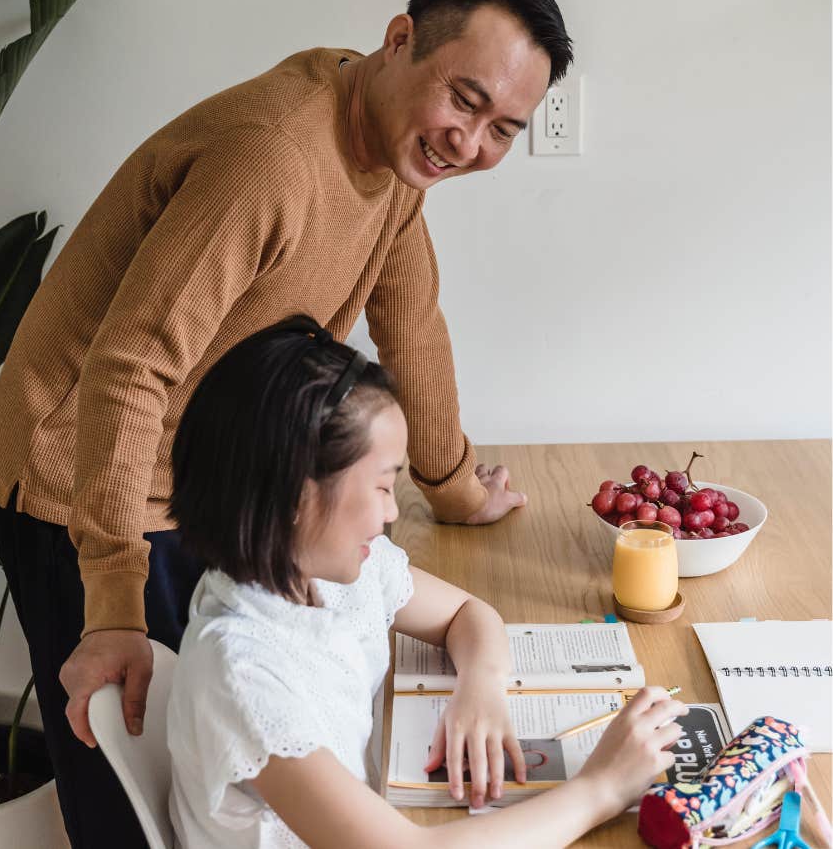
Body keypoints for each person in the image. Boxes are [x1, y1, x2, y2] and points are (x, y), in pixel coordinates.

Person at [0, 0, 573, 847]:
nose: (468, 140)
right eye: (464, 99)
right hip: (85, 478)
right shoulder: (275, 156)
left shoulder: (395, 159)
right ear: (400, 41)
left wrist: (451, 487)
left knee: (222, 776)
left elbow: (411, 321)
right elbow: (129, 367)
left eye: (502, 128)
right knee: (136, 810)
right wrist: (112, 603)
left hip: (203, 475)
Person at [167, 315, 689, 849]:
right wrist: (599, 789)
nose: (394, 510)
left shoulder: (326, 571)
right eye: (381, 486)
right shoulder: (242, 677)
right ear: (294, 496)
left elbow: (468, 613)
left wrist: (480, 687)